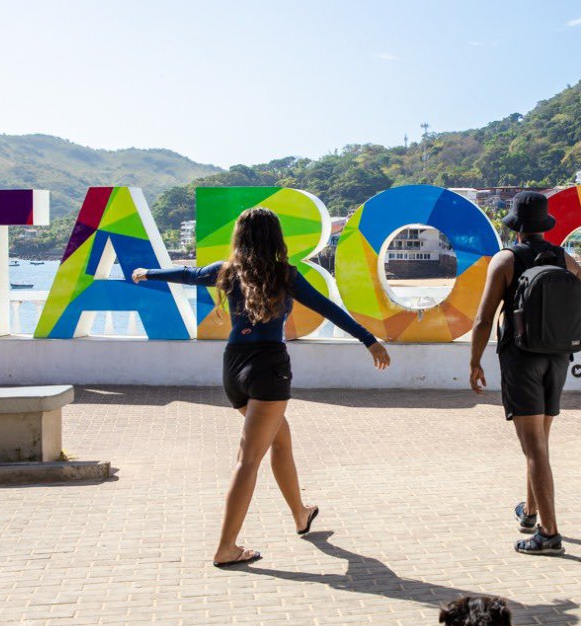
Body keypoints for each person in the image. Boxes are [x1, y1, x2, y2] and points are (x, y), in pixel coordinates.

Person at [134, 208, 390, 567]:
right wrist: (369, 340)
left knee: (280, 439)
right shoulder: (286, 275)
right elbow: (328, 308)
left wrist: (149, 272)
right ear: (275, 238)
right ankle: (226, 547)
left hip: (233, 368)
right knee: (248, 459)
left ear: (240, 237)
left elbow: (188, 274)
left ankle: (301, 513)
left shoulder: (226, 272)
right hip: (268, 367)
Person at [467, 191, 581, 557]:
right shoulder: (566, 259)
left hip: (521, 359)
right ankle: (530, 512)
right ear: (544, 226)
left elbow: (482, 319)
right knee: (539, 443)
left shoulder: (505, 260)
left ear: (516, 228)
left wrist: (475, 362)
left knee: (533, 447)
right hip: (558, 359)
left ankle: (549, 534)